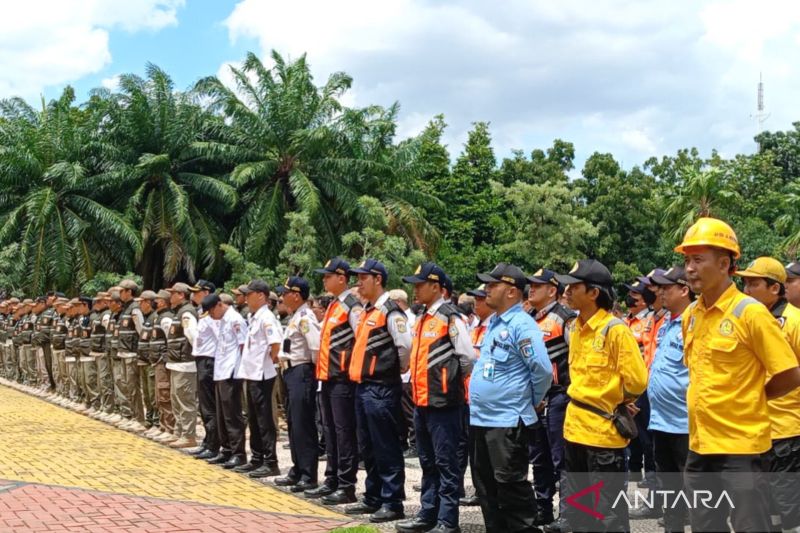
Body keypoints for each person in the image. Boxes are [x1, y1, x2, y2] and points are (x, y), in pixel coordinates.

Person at [675, 217, 800, 532]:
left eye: (698, 259)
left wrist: (757, 396)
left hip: (741, 449)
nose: (689, 268)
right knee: (705, 526)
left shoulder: (751, 313)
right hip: (700, 446)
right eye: (687, 259)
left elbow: (789, 373)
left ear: (724, 263)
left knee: (750, 526)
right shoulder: (690, 315)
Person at [554, 259, 648, 533]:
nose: (567, 291)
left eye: (574, 287)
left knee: (607, 515)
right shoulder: (575, 328)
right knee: (580, 511)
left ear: (594, 293)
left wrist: (618, 400)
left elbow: (638, 380)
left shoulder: (614, 330)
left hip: (603, 436)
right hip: (575, 431)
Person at [469, 263, 551, 533]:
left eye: (493, 285)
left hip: (507, 421)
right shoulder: (494, 322)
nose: (486, 290)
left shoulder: (522, 324)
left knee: (511, 491)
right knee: (486, 490)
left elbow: (541, 369)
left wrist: (532, 400)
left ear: (513, 293)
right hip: (482, 419)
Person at [396, 262, 474, 533]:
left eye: (420, 284)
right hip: (422, 402)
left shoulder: (450, 317)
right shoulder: (422, 317)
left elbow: (467, 358)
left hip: (444, 404)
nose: (415, 289)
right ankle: (427, 514)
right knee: (427, 463)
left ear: (436, 287)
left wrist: (447, 384)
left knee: (446, 464)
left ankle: (447, 521)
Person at [345, 258, 412, 523]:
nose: (358, 282)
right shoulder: (367, 310)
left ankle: (392, 501)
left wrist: (392, 369)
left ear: (378, 279)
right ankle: (373, 496)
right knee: (368, 446)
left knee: (386, 446)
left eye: (363, 278)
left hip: (382, 388)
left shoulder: (390, 311)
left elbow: (405, 346)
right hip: (364, 387)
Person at [736, 257, 800, 532]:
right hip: (757, 429)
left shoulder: (794, 322)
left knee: (788, 504)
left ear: (775, 288)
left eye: (754, 283)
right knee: (766, 502)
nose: (747, 289)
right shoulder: (750, 320)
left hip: (787, 429)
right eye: (745, 283)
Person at [641, 266, 693, 529]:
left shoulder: (694, 322)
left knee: (695, 493)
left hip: (685, 423)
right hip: (661, 421)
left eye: (665, 288)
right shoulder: (667, 323)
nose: (659, 293)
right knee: (669, 487)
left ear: (684, 290)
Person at [525, 269, 576, 531]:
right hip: (535, 399)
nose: (531, 289)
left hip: (559, 397)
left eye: (537, 285)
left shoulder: (565, 319)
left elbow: (576, 359)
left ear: (552, 290)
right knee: (539, 457)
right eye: (530, 285)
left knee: (561, 458)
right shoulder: (528, 318)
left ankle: (567, 515)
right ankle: (543, 507)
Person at [310, 257, 364, 505]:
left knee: (343, 433)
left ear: (341, 278)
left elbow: (359, 341)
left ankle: (346, 484)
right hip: (327, 377)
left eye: (327, 276)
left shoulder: (352, 307)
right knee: (330, 432)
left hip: (343, 379)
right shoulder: (334, 305)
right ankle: (331, 479)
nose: (324, 279)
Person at [274, 276, 321, 493]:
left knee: (303, 424)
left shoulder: (305, 318)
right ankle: (297, 468)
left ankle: (308, 474)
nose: (282, 298)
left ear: (295, 294)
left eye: (285, 293)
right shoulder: (296, 316)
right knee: (294, 422)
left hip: (302, 371)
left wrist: (312, 375)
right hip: (291, 371)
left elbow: (316, 348)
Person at [234, 279, 283, 478]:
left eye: (249, 294)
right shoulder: (254, 317)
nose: (246, 298)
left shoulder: (267, 318)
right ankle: (257, 458)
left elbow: (275, 345)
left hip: (262, 375)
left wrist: (267, 363)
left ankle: (270, 462)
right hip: (251, 374)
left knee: (264, 421)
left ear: (261, 295)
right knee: (253, 419)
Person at [203, 293, 249, 469]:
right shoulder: (223, 320)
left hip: (231, 372)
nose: (211, 315)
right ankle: (227, 450)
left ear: (219, 305)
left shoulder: (235, 319)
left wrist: (240, 371)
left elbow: (243, 345)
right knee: (222, 415)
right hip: (221, 371)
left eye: (211, 311)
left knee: (232, 416)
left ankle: (238, 454)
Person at [165, 282, 199, 449]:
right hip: (176, 363)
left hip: (185, 362)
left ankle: (188, 435)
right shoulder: (179, 312)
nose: (170, 296)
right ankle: (179, 432)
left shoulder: (186, 313)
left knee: (185, 400)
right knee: (176, 399)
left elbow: (192, 336)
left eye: (173, 293)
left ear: (181, 295)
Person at [189, 280, 221, 459]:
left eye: (197, 292)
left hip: (209, 362)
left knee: (209, 405)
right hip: (201, 361)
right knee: (204, 405)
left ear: (207, 292)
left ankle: (214, 444)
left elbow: (220, 339)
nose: (194, 295)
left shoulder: (213, 315)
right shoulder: (203, 314)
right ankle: (208, 441)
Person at [115, 279, 146, 431]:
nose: (119, 293)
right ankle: (133, 415)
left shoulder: (135, 309)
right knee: (126, 385)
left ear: (129, 292)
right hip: (124, 352)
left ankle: (139, 418)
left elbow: (141, 331)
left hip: (132, 353)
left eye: (122, 291)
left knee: (133, 387)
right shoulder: (125, 309)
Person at [149, 290, 177, 442]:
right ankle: (163, 426)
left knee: (164, 393)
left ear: (163, 302)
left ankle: (170, 427)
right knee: (159, 395)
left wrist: (165, 358)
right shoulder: (159, 317)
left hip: (162, 360)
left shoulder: (166, 318)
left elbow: (170, 340)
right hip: (157, 360)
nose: (155, 301)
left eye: (158, 299)